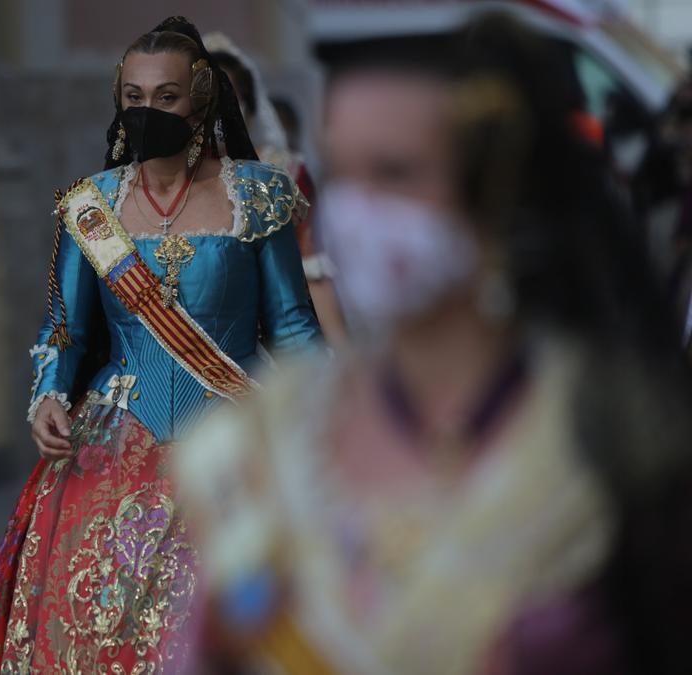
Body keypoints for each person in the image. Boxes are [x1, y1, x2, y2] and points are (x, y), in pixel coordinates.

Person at [179, 12, 692, 675]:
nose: (358, 211)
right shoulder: (265, 441)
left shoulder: (608, 446)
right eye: (343, 173)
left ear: (496, 193)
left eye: (395, 173)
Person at [0, 16, 322, 674]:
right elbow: (66, 331)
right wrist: (48, 392)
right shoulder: (91, 208)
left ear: (200, 95)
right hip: (111, 450)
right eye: (133, 97)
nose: (146, 111)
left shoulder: (257, 196)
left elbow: (295, 328)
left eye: (165, 97)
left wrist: (336, 418)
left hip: (235, 451)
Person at [206, 33, 348, 347]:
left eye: (229, 96)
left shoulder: (282, 173)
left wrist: (340, 351)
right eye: (206, 96)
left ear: (250, 105)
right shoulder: (166, 181)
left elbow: (312, 268)